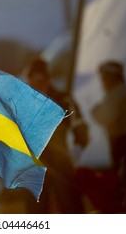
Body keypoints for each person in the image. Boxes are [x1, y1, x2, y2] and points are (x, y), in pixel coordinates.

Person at [22, 56, 89, 213]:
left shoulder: (63, 100)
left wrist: (79, 146)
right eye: (33, 81)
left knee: (71, 206)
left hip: (61, 162)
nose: (37, 85)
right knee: (35, 211)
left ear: (48, 79)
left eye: (41, 80)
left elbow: (79, 125)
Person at [91, 60, 126, 173]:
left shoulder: (117, 94)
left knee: (121, 172)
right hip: (125, 138)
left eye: (104, 77)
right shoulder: (123, 91)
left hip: (121, 140)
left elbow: (106, 117)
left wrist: (95, 111)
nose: (102, 81)